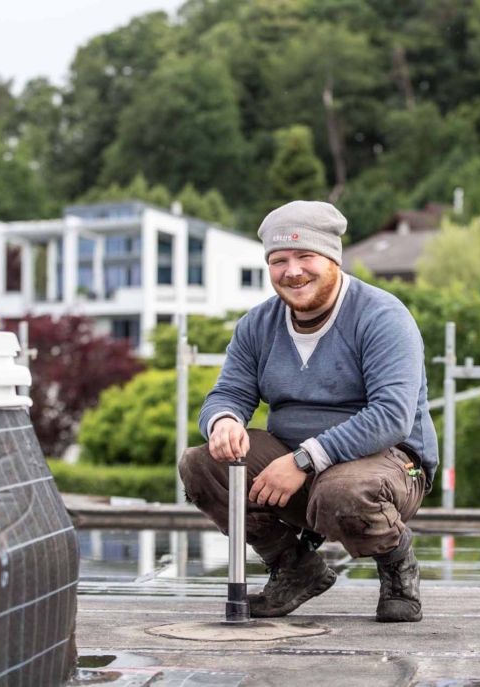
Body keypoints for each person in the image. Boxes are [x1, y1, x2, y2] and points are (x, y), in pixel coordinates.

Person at [179, 200, 438, 623]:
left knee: (341, 492)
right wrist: (223, 420)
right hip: (294, 465)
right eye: (279, 260)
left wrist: (304, 459)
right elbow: (228, 391)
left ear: (332, 258)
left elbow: (391, 416)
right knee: (201, 463)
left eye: (305, 256)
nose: (292, 271)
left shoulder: (383, 316)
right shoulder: (256, 325)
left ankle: (397, 563)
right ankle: (294, 567)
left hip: (387, 467)